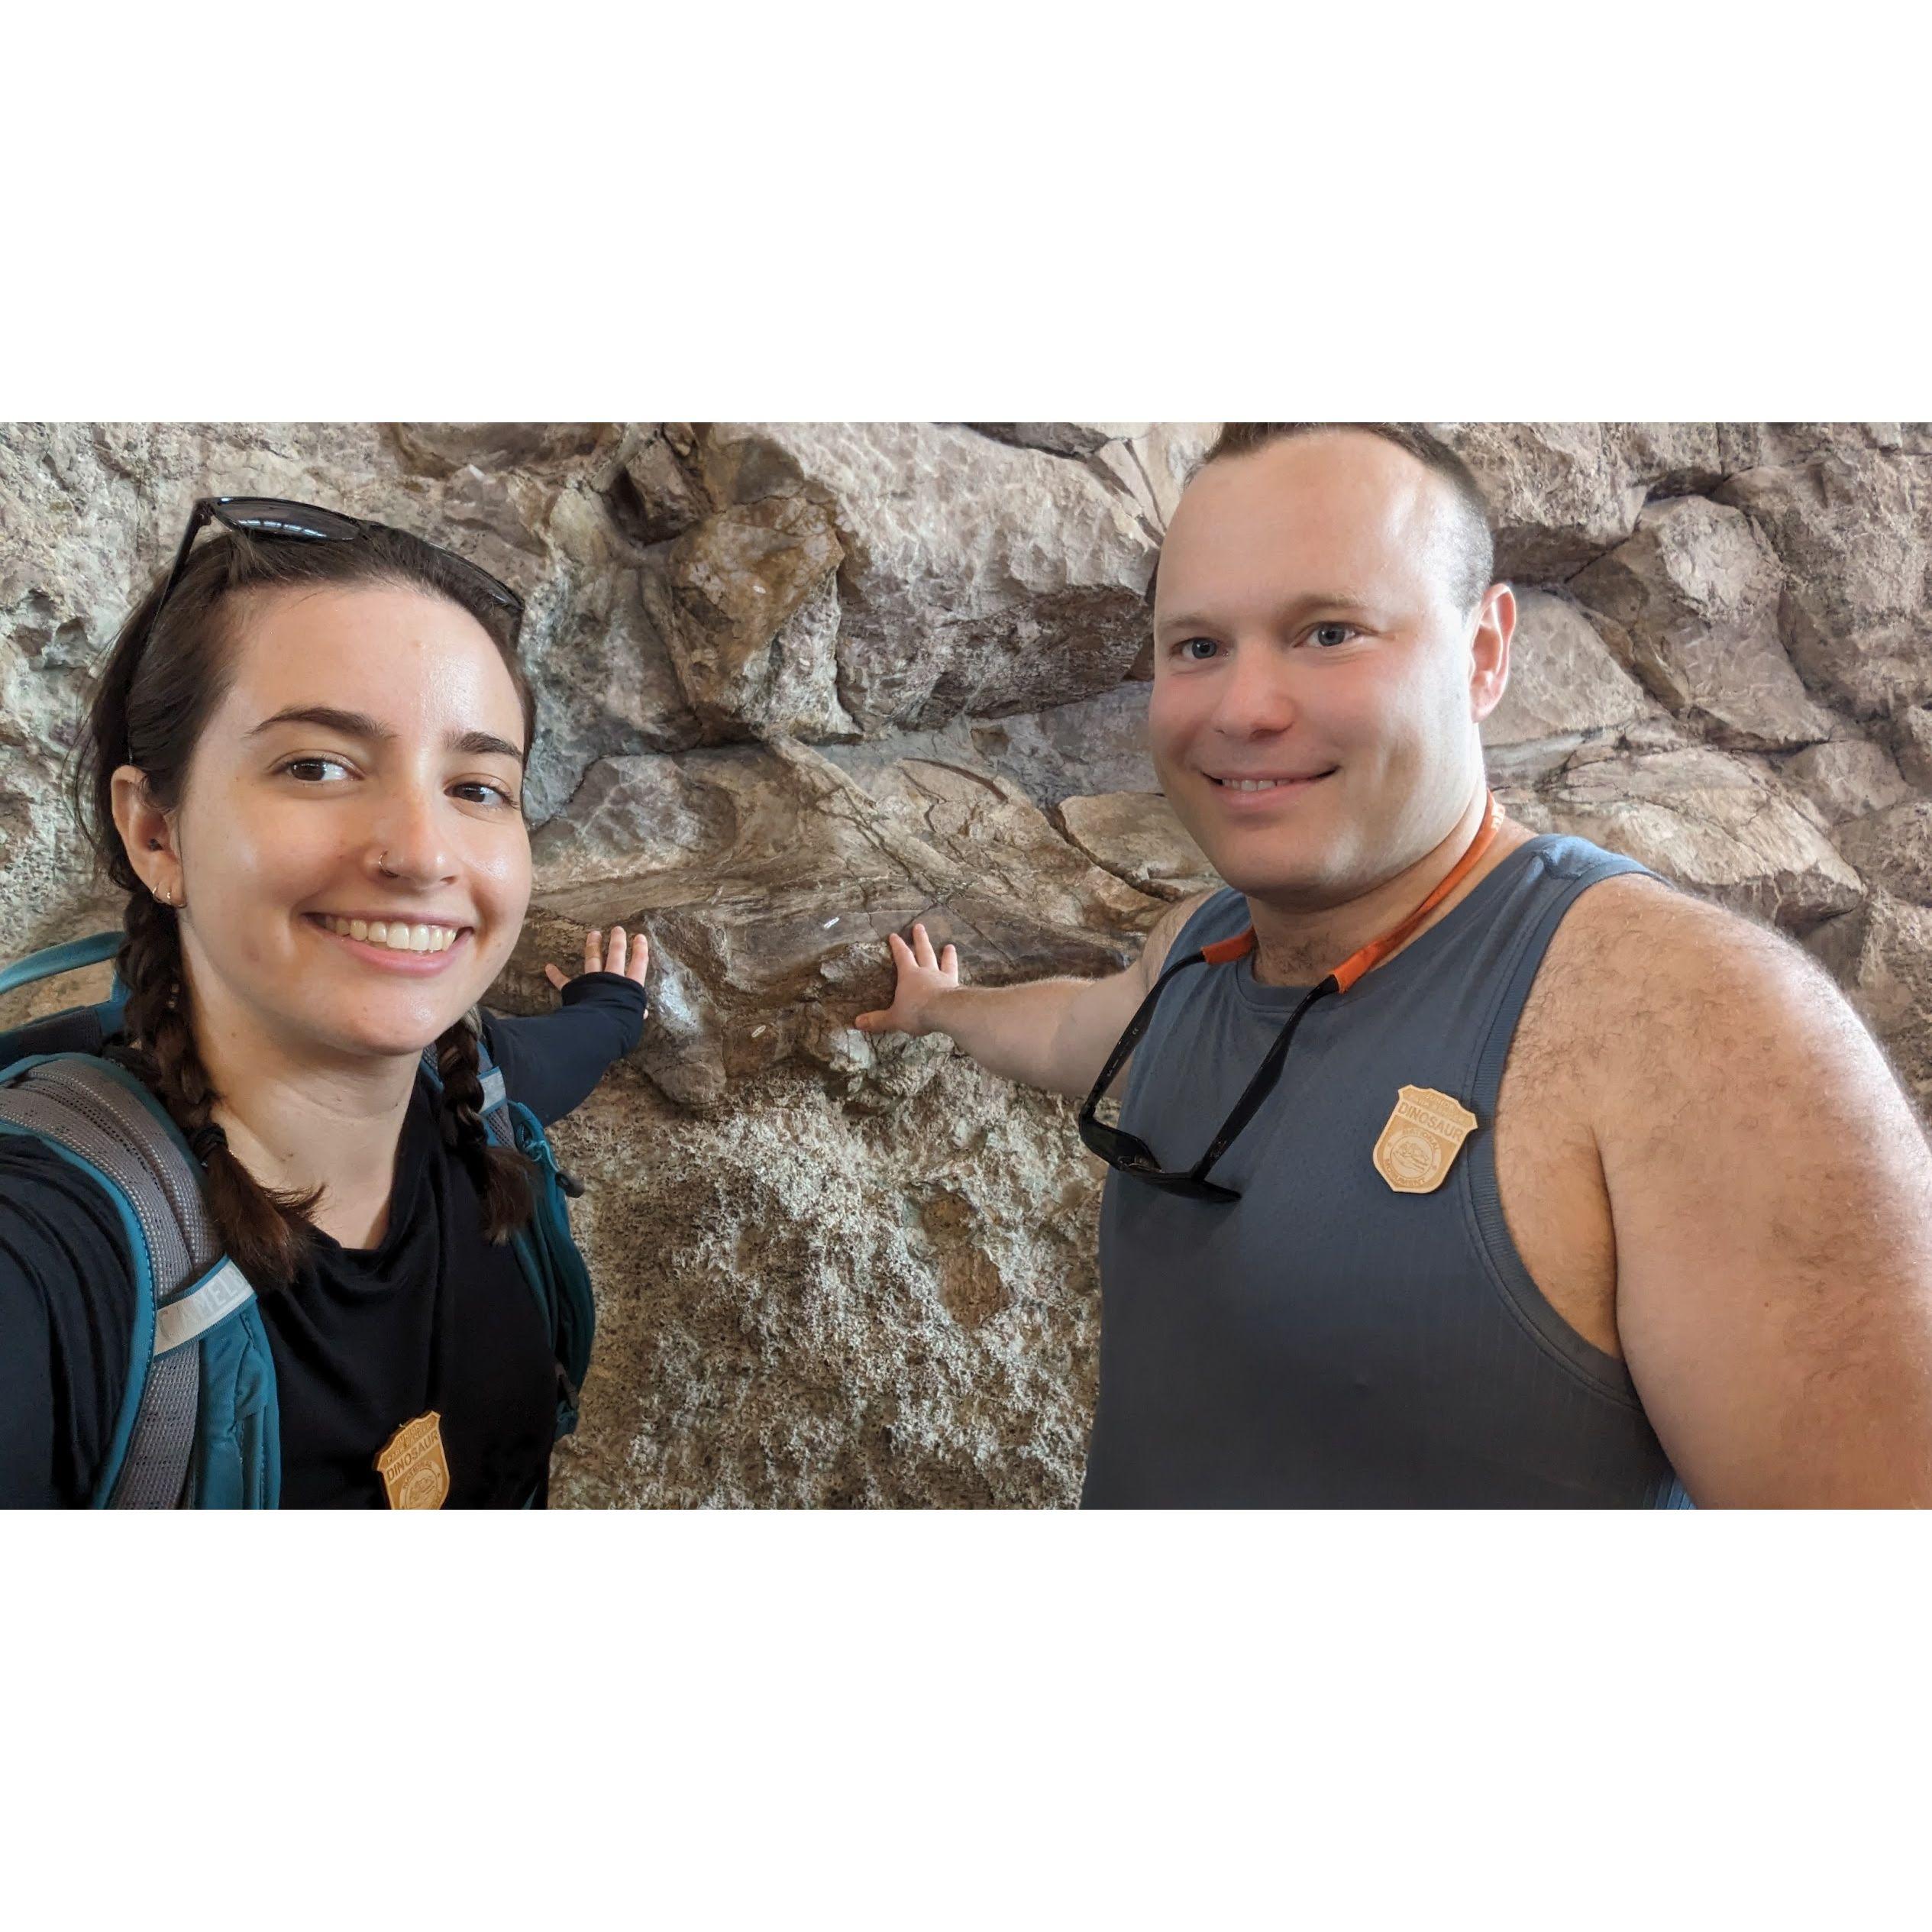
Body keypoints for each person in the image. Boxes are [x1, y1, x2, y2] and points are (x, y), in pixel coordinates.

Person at [858, 422, 1932, 1507]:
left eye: (1327, 632)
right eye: (1196, 647)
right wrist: (943, 1007)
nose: (1242, 708)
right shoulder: (1199, 951)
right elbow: (1078, 1027)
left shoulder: (1698, 1025)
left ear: (1482, 654)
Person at [0, 497, 647, 1508]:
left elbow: (573, 1049)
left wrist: (613, 1005)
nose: (423, 851)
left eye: (477, 786)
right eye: (318, 765)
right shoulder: (50, 1255)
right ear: (156, 833)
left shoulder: (479, 1092)